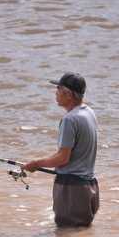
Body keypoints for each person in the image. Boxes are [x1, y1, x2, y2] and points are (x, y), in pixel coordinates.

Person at [22, 72, 99, 227]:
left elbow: (63, 158)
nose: (55, 93)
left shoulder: (69, 120)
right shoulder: (88, 112)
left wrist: (36, 164)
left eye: (58, 89)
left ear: (68, 94)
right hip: (89, 187)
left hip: (72, 190)